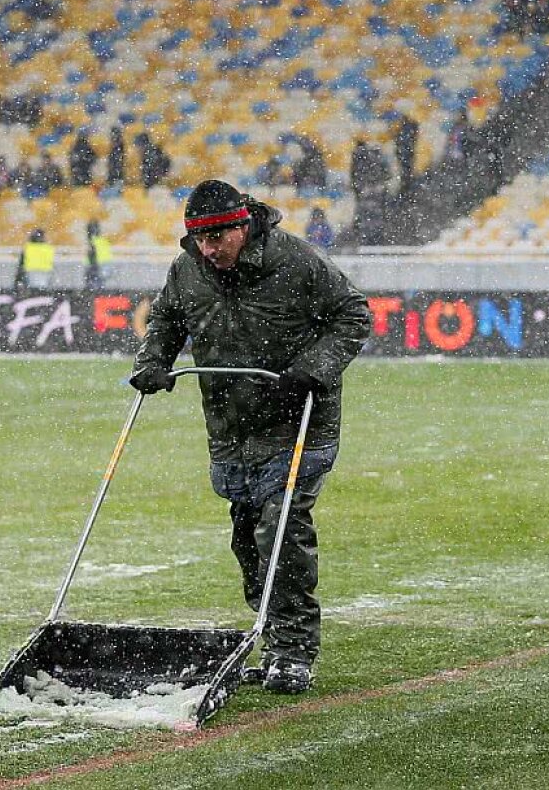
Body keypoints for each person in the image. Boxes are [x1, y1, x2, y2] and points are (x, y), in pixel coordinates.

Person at [129, 180, 370, 694]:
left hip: (298, 419)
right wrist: (153, 361)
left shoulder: (296, 261)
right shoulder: (188, 268)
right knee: (247, 538)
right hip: (229, 425)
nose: (209, 250)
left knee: (279, 529)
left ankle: (292, 649)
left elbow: (354, 314)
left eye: (219, 238)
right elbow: (168, 317)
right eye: (200, 240)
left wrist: (312, 369)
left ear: (244, 226)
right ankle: (268, 627)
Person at [84, 220, 113, 288]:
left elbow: (92, 255)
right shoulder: (103, 241)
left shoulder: (93, 241)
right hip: (101, 266)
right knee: (98, 286)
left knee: (94, 286)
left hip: (96, 266)